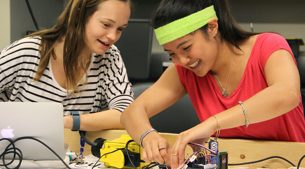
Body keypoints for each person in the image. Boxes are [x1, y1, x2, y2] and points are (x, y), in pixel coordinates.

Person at [121, 0, 305, 167]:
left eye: (186, 48)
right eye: (172, 54)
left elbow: (287, 94)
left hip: (290, 161)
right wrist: (148, 136)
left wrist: (212, 124)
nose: (182, 60)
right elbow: (132, 112)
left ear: (212, 27)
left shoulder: (268, 45)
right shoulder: (183, 71)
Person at [0, 0, 134, 132]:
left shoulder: (110, 57)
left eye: (120, 29)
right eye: (106, 24)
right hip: (16, 150)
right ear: (80, 16)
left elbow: (127, 115)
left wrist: (67, 121)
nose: (112, 36)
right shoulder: (28, 51)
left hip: (75, 152)